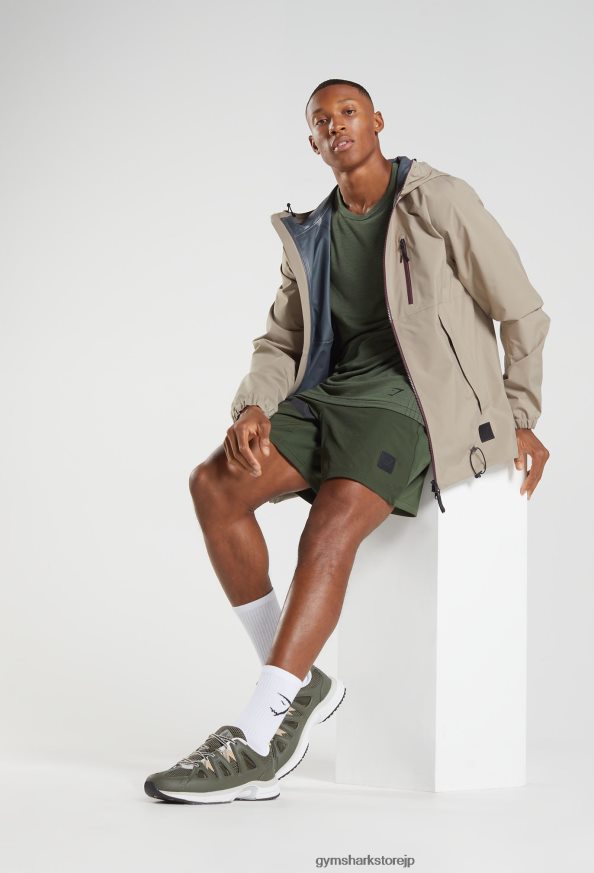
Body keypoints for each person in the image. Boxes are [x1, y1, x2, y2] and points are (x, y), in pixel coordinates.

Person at [144, 78, 551, 804]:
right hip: (330, 396)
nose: (336, 125)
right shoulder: (312, 234)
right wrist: (254, 406)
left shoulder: (439, 200)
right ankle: (298, 681)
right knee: (214, 486)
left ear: (377, 121)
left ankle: (259, 733)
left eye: (349, 111)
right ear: (312, 143)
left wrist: (522, 413)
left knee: (330, 527)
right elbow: (281, 340)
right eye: (321, 120)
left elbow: (520, 309)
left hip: (411, 404)